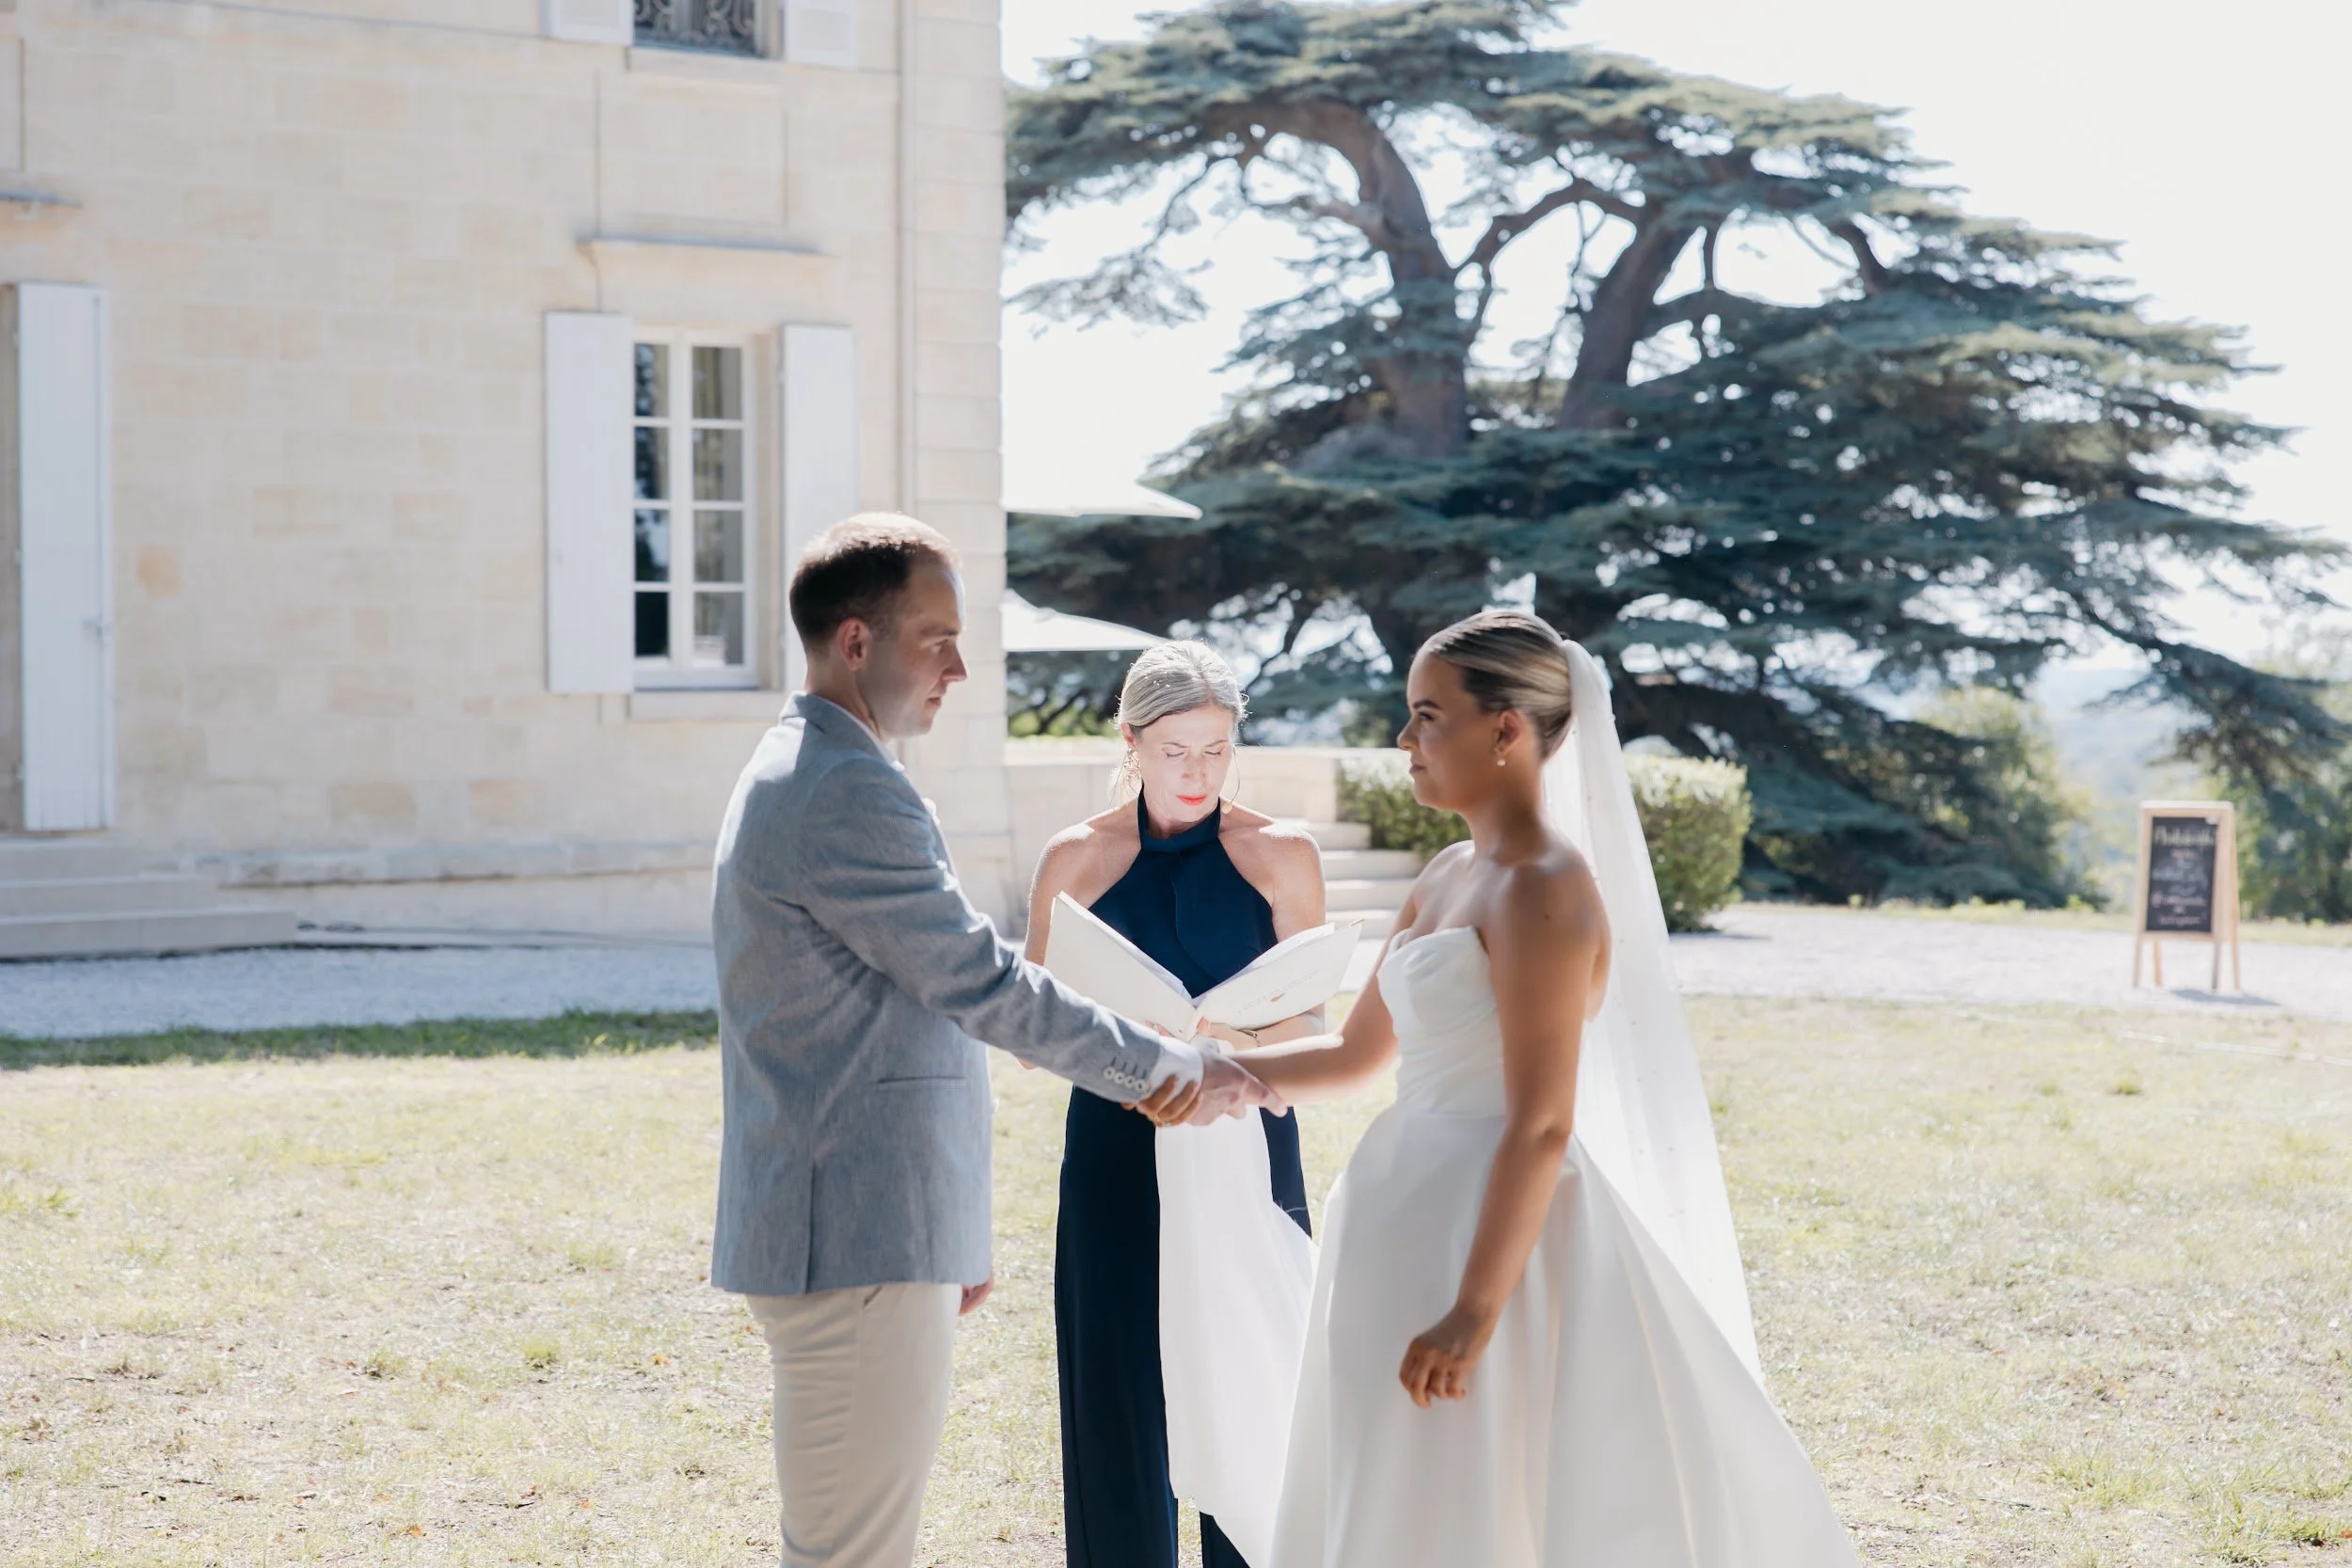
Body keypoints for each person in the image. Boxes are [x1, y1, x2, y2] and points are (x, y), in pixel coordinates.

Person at [708, 514, 1276, 1568]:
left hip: (873, 1232)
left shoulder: (819, 765)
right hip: (852, 1239)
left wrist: (948, 1226)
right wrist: (1168, 1066)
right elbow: (978, 979)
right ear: (857, 641)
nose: (961, 667)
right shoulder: (842, 786)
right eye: (938, 638)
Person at [1242, 611, 1861, 1567]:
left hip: (1489, 1239)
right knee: (1384, 1481)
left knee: (1472, 1488)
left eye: (1425, 715)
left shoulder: (1545, 886)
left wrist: (1473, 1307)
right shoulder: (1448, 870)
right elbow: (1358, 1053)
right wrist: (1207, 1067)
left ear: (1505, 729)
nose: (1404, 740)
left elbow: (1539, 1119)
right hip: (1391, 1212)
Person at [1023, 641, 1327, 1568]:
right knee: (1119, 1382)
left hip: (1248, 1137)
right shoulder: (1075, 856)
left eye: (1215, 750)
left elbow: (1315, 1021)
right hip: (1117, 1141)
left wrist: (1229, 1038)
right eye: (1173, 751)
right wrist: (1131, 1044)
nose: (1195, 772)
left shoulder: (1282, 853)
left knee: (1252, 1377)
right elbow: (1032, 1023)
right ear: (1130, 741)